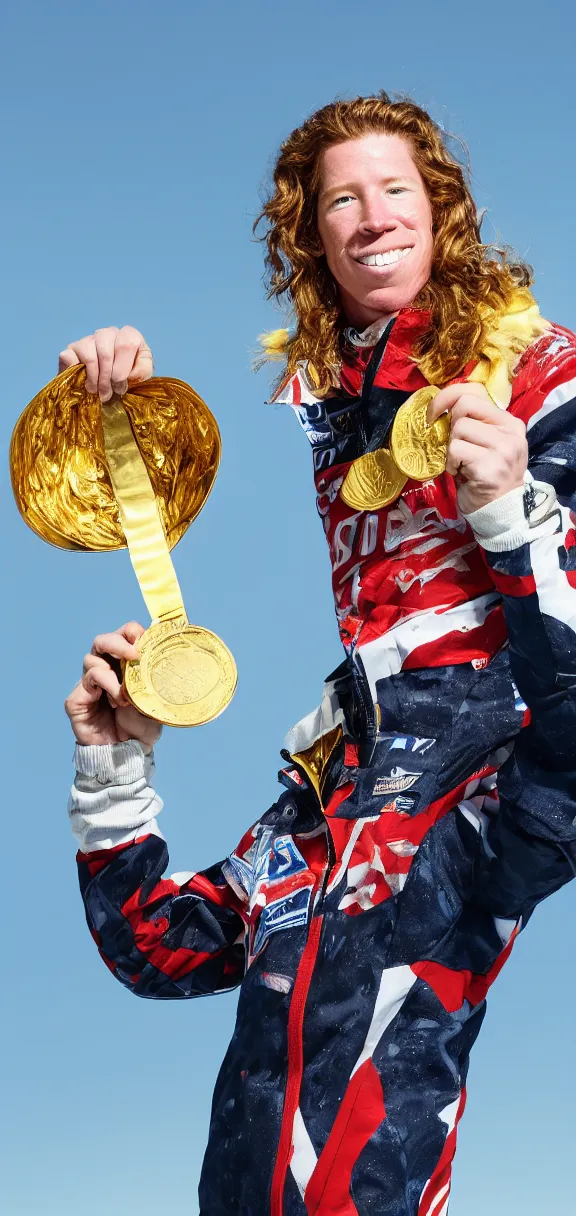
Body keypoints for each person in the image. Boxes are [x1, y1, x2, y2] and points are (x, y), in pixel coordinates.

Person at [63, 94, 576, 1216]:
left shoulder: (496, 802)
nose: (370, 213)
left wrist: (505, 514)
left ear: (444, 214)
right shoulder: (315, 813)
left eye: (396, 188)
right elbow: (163, 950)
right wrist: (115, 773)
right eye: (339, 197)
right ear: (312, 236)